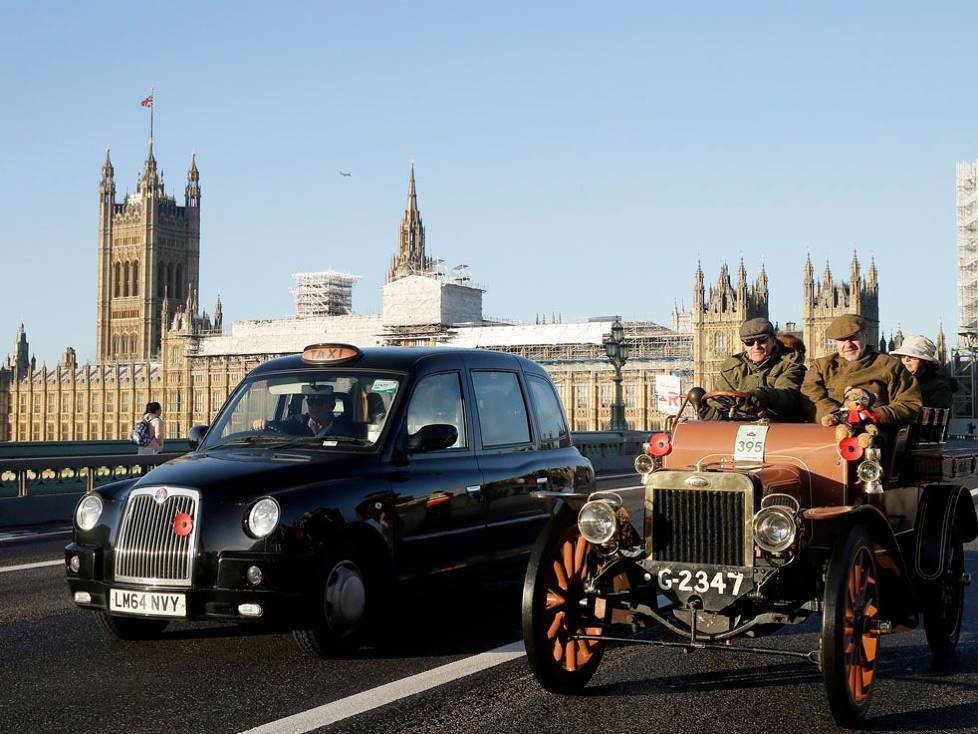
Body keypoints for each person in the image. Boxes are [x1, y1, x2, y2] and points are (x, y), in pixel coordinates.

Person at [801, 314, 921, 427]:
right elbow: (810, 396)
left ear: (866, 336)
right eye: (842, 340)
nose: (848, 345)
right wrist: (837, 415)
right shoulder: (821, 366)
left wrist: (870, 416)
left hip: (874, 433)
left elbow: (909, 404)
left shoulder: (890, 365)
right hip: (828, 432)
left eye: (853, 338)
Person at [699, 317, 807, 421]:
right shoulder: (732, 368)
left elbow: (788, 396)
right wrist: (709, 413)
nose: (756, 347)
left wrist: (764, 395)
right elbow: (720, 402)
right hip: (738, 428)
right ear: (743, 345)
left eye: (762, 340)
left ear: (773, 340)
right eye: (749, 342)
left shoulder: (790, 364)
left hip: (778, 428)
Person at [890, 334, 955, 409]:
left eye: (912, 357)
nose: (906, 360)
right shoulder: (894, 381)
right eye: (903, 356)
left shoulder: (940, 387)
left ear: (925, 361)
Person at [255, 391, 345, 437]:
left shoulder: (344, 431)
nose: (313, 406)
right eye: (310, 401)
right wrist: (262, 423)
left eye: (319, 402)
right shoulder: (296, 422)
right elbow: (279, 425)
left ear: (332, 405)